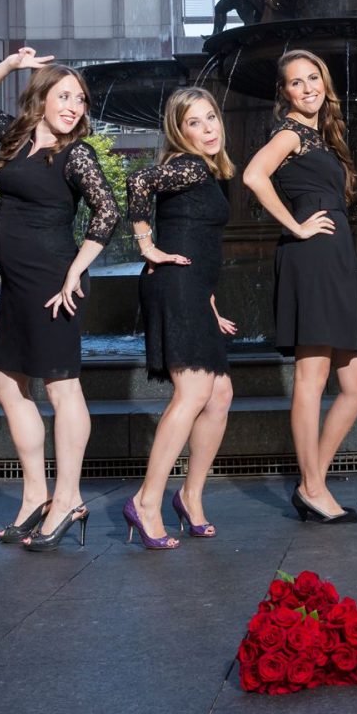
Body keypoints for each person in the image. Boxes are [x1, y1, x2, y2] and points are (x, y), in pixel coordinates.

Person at [0, 47, 121, 551]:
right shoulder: (16, 138)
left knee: (61, 388)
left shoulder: (76, 154)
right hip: (17, 283)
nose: (74, 106)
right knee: (6, 385)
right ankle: (35, 494)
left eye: (80, 99)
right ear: (43, 96)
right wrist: (11, 65)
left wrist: (76, 271)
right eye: (65, 95)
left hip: (55, 282)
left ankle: (69, 497)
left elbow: (106, 212)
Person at [242, 49, 357, 524]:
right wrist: (295, 227)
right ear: (285, 94)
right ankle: (314, 487)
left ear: (324, 81)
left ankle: (310, 481)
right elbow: (253, 175)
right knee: (312, 378)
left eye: (312, 78)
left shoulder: (323, 136)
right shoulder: (290, 132)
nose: (307, 88)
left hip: (334, 256)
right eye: (296, 83)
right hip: (311, 255)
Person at [124, 88, 239, 548]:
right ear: (179, 130)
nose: (208, 129)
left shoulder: (209, 171)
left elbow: (198, 242)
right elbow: (136, 183)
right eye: (195, 122)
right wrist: (146, 245)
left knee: (220, 394)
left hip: (192, 290)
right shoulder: (186, 166)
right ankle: (146, 502)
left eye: (211, 118)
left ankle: (190, 497)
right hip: (173, 286)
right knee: (194, 391)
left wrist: (209, 304)